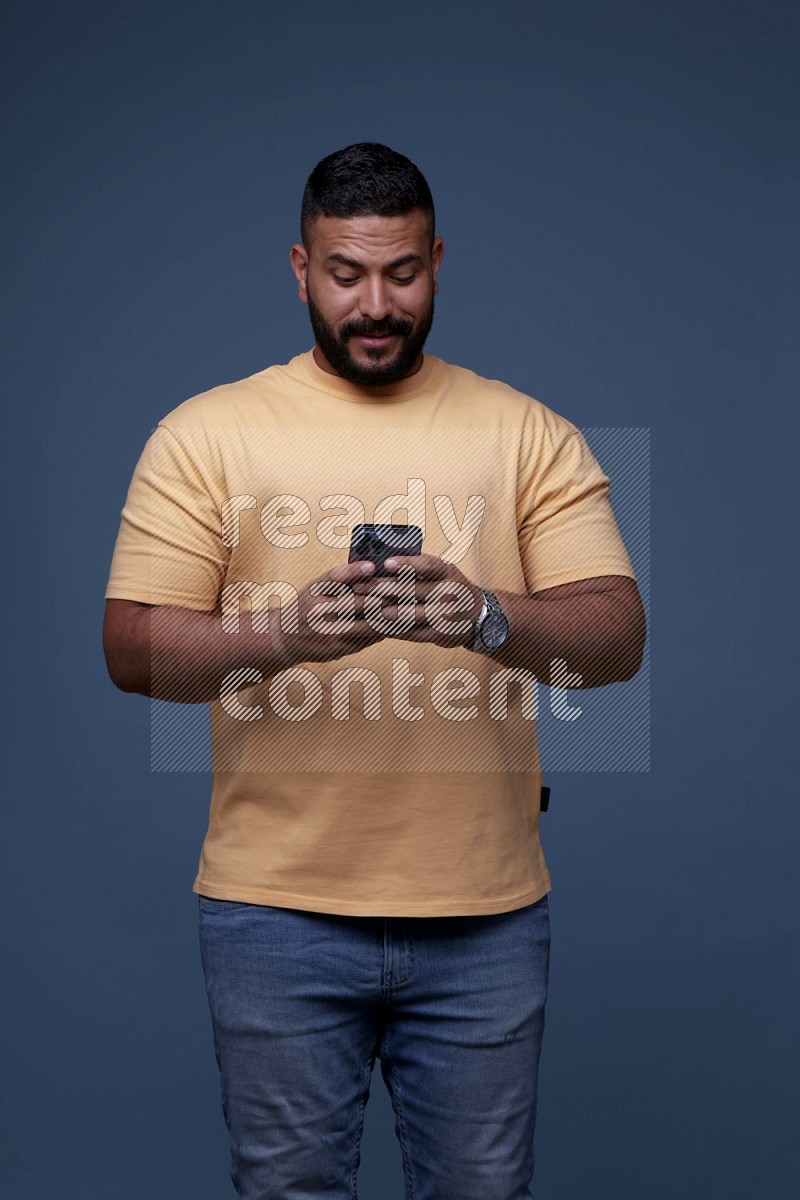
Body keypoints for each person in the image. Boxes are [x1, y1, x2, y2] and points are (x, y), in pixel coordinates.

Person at [103, 142, 645, 1200]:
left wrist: (485, 619)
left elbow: (615, 638)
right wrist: (278, 638)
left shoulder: (525, 432)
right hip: (272, 913)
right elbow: (131, 647)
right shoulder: (205, 435)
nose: (375, 304)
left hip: (485, 915)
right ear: (299, 268)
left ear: (436, 261)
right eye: (345, 273)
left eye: (401, 271)